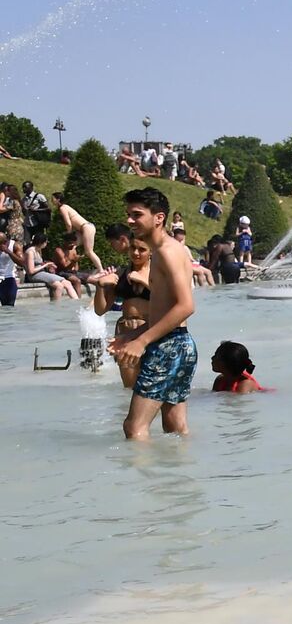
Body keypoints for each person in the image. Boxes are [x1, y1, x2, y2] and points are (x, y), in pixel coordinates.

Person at [109, 187, 198, 440]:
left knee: (134, 427)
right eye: (128, 214)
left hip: (167, 346)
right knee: (175, 426)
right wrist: (133, 335)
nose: (129, 221)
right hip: (181, 344)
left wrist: (142, 341)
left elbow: (185, 306)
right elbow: (168, 311)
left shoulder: (165, 253)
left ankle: (142, 480)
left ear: (158, 217)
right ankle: (178, 477)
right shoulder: (171, 249)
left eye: (136, 215)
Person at [90, 224, 151, 389]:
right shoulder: (121, 273)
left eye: (141, 249)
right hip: (124, 330)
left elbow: (168, 300)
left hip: (149, 329)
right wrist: (100, 286)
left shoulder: (156, 272)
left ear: (150, 251)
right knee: (129, 388)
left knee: (151, 386)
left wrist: (144, 281)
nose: (136, 253)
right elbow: (100, 309)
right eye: (132, 248)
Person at [49, 193, 104, 273]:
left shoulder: (62, 208)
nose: (52, 200)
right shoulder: (65, 207)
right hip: (83, 229)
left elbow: (68, 223)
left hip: (86, 227)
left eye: (53, 198)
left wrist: (69, 234)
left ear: (58, 199)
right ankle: (70, 267)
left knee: (89, 251)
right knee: (72, 246)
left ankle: (101, 270)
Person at [0, 236, 17, 308]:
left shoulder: (14, 245)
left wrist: (8, 251)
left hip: (9, 278)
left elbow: (22, 262)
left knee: (9, 307)